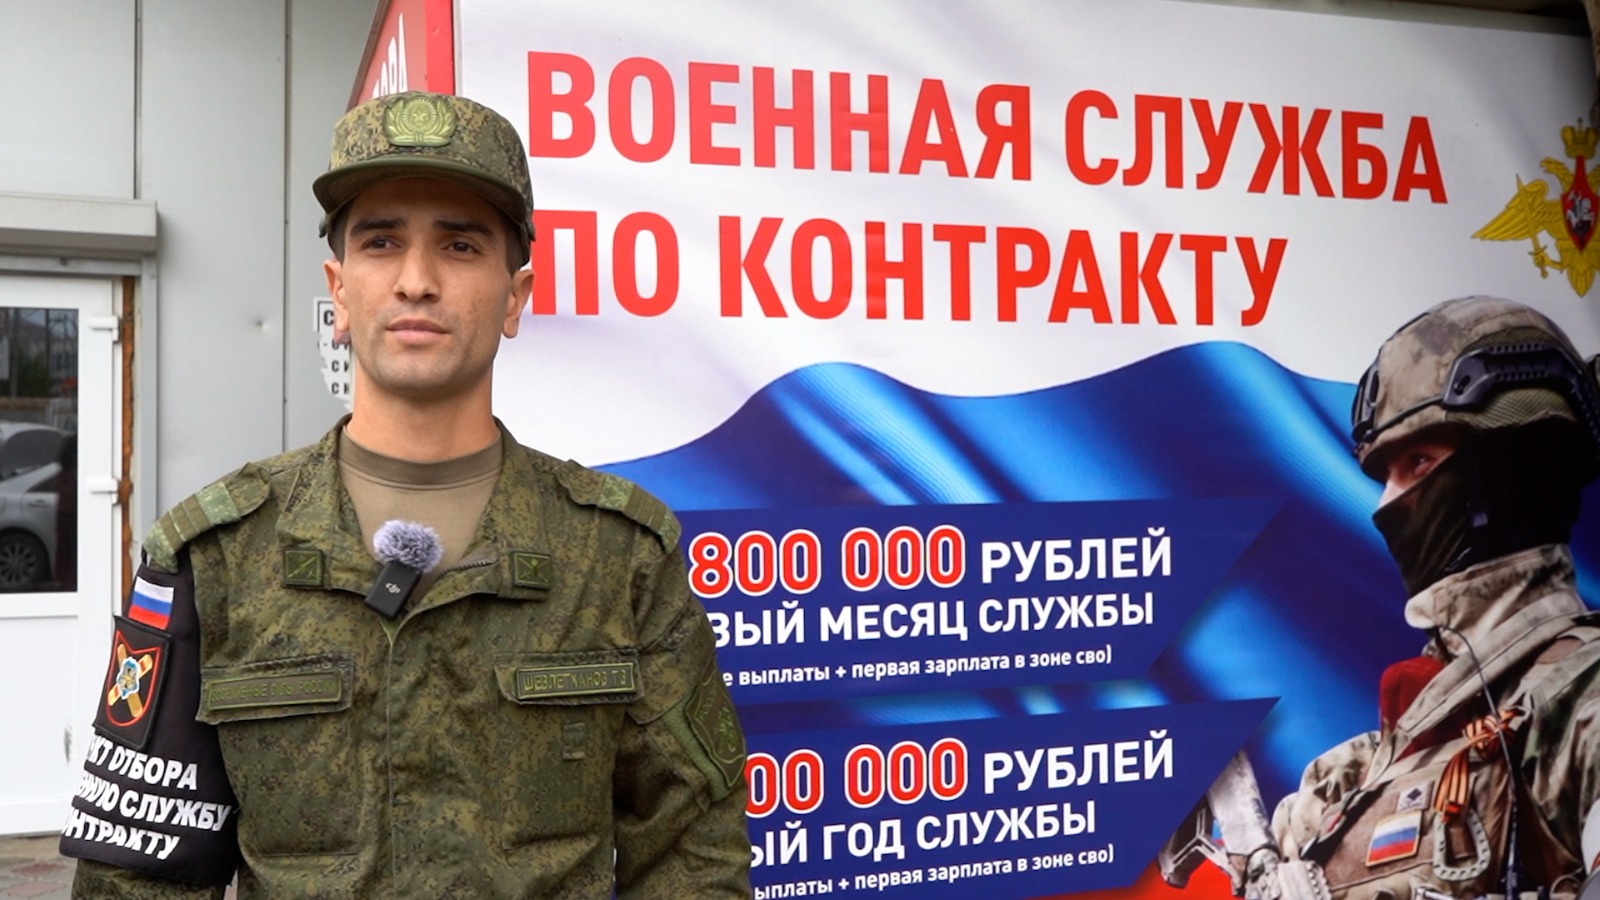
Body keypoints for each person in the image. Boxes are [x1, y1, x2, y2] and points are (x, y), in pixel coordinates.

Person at [59, 90, 752, 898]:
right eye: (382, 242)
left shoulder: (619, 556)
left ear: (516, 295)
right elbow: (138, 875)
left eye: (460, 245)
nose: (417, 281)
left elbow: (693, 849)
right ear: (339, 290)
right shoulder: (216, 558)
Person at [1258, 296, 1600, 900]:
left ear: (1511, 472)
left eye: (1418, 462)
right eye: (1384, 473)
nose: (1386, 503)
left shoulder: (1581, 707)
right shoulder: (1370, 761)